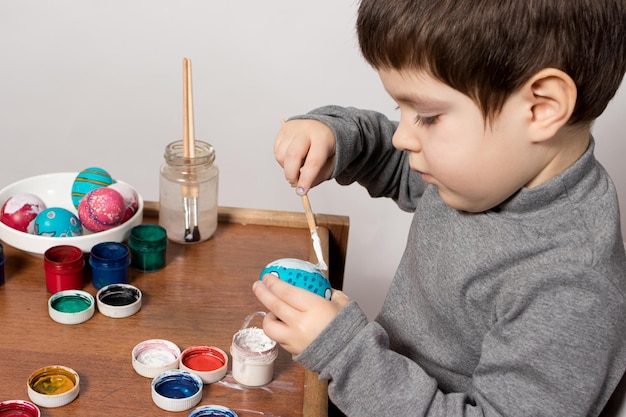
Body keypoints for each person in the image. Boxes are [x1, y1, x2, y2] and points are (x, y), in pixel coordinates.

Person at [252, 0, 626, 415]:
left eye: (428, 116)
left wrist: (345, 354)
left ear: (542, 108)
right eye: (402, 110)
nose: (402, 138)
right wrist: (337, 135)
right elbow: (395, 162)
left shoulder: (571, 287)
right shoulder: (484, 172)